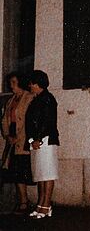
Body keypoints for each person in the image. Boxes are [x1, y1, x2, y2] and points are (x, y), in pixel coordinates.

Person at [25, 70, 59, 219]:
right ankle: (41, 205)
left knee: (47, 174)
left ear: (37, 83)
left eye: (31, 83)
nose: (29, 85)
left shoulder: (48, 99)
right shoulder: (37, 98)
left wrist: (38, 138)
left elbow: (47, 121)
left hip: (46, 140)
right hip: (37, 141)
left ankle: (46, 206)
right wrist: (31, 139)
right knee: (41, 174)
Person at [1, 72, 34, 214]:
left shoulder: (29, 97)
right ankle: (22, 202)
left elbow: (29, 122)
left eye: (14, 82)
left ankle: (25, 203)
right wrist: (7, 134)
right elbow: (4, 119)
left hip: (24, 138)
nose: (11, 85)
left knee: (23, 171)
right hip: (12, 137)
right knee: (15, 171)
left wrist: (19, 138)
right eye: (10, 82)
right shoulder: (11, 100)